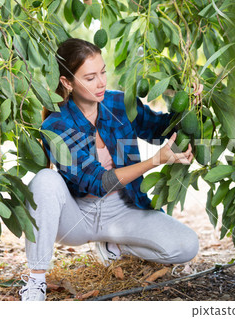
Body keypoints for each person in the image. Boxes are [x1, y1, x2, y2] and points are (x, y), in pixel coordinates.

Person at [18, 38, 200, 301]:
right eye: (90, 77)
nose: (102, 82)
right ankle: (36, 281)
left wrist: (189, 102)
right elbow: (97, 182)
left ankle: (115, 243)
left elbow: (161, 128)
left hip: (123, 210)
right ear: (67, 82)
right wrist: (155, 161)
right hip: (75, 217)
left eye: (103, 72)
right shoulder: (57, 125)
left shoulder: (118, 103)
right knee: (45, 180)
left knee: (186, 245)